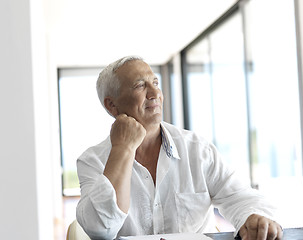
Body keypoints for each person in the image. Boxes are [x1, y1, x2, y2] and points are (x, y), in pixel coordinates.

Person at [76, 56, 283, 240]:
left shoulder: (197, 149)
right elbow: (100, 229)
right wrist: (122, 149)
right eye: (140, 85)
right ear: (111, 105)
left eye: (155, 82)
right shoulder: (92, 160)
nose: (155, 92)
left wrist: (253, 217)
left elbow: (240, 198)